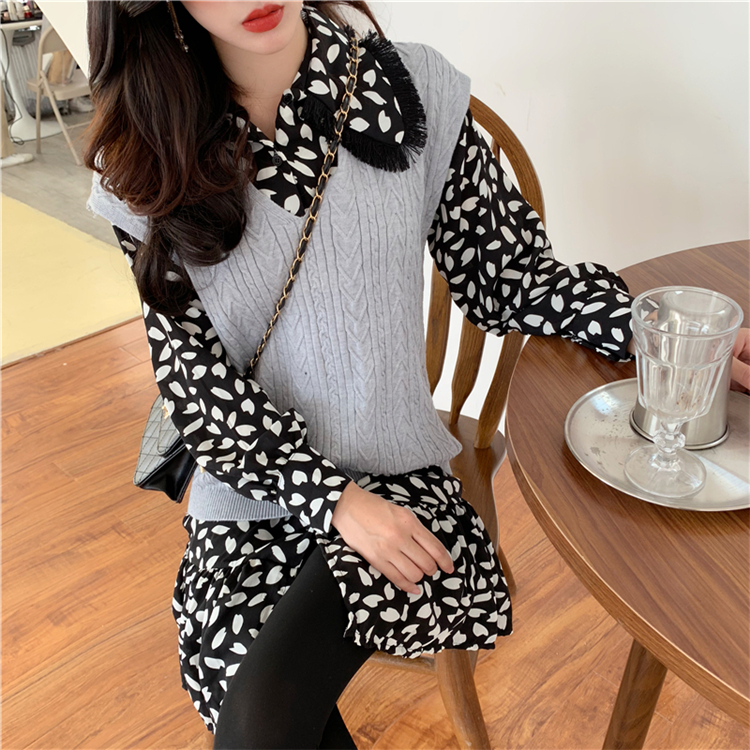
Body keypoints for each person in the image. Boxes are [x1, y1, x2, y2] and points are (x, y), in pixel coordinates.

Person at [81, 2, 743, 748]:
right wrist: (333, 501)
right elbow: (198, 385)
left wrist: (665, 336)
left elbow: (509, 273)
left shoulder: (408, 89)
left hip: (395, 477)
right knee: (249, 702)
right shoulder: (147, 154)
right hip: (252, 491)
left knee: (261, 716)